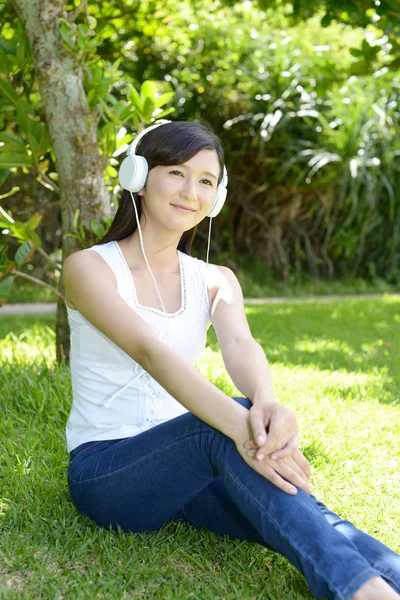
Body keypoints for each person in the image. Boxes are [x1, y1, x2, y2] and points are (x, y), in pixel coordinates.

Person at [63, 119, 399, 600]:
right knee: (222, 427)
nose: (190, 191)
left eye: (205, 181)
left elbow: (240, 346)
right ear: (138, 176)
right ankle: (363, 592)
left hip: (187, 475)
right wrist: (248, 429)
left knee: (304, 512)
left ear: (216, 198)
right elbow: (149, 352)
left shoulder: (216, 278)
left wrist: (266, 402)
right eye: (176, 172)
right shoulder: (89, 268)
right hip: (108, 473)